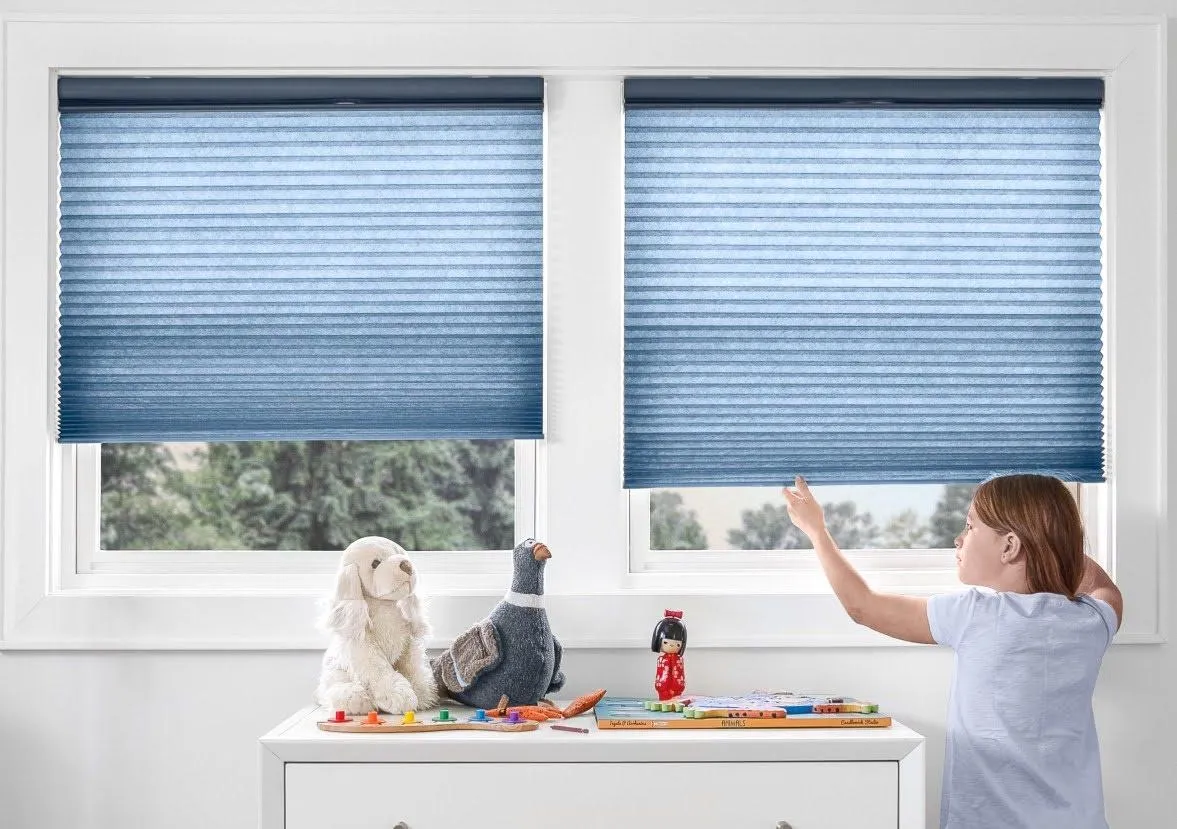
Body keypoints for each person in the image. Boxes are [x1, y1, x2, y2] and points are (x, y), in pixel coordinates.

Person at [782, 473, 1122, 829]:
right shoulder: (1092, 621)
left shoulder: (974, 615)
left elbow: (862, 607)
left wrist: (817, 531)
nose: (958, 539)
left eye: (970, 527)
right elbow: (1104, 587)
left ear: (1010, 546)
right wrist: (1054, 545)